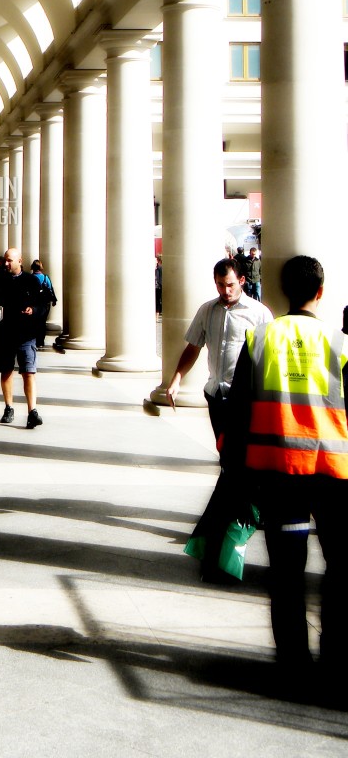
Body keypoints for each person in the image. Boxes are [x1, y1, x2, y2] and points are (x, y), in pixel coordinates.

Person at [222, 256, 348, 681]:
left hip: (276, 472)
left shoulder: (260, 339)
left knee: (287, 573)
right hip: (333, 473)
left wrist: (235, 473)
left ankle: (294, 662)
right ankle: (337, 657)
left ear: (281, 291)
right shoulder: (341, 343)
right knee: (341, 568)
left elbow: (238, 412)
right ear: (321, 291)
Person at [165, 257, 273, 439]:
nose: (226, 291)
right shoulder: (207, 310)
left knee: (239, 452)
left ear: (242, 281)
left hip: (245, 396)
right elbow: (193, 347)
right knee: (222, 449)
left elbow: (269, 356)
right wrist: (176, 379)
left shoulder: (259, 313)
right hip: (215, 393)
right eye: (220, 285)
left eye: (230, 284)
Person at [0, 247, 46, 428]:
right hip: (5, 334)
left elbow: (42, 305)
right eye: (5, 260)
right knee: (6, 371)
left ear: (20, 261)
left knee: (29, 371)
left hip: (26, 333)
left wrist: (33, 310)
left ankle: (32, 411)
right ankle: (8, 407)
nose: (7, 263)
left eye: (10, 260)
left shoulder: (32, 281)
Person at [30, 259, 56, 349]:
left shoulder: (30, 278)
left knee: (34, 322)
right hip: (44, 303)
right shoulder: (45, 277)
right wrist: (54, 300)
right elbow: (50, 288)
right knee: (42, 322)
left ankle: (34, 340)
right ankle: (40, 341)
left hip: (34, 303)